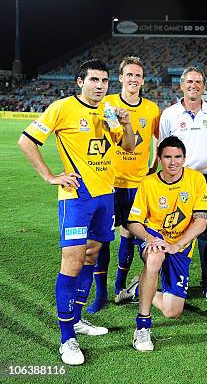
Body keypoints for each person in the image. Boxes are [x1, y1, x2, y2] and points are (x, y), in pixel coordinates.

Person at [17, 59, 135, 365]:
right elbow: (26, 140)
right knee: (71, 261)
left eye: (104, 81)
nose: (100, 86)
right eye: (94, 80)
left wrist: (127, 123)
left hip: (104, 196)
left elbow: (128, 146)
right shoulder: (62, 108)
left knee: (92, 256)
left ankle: (78, 319)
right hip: (76, 197)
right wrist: (49, 176)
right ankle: (67, 338)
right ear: (80, 82)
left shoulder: (109, 111)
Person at [87, 56, 161, 313]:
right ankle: (101, 293)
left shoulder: (151, 108)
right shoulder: (108, 103)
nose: (133, 79)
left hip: (138, 184)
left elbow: (157, 139)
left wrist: (154, 166)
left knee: (130, 234)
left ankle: (120, 286)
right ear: (121, 78)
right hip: (109, 182)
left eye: (138, 75)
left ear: (143, 80)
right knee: (103, 236)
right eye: (129, 75)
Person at [127, 136, 207, 351]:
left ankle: (139, 287)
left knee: (173, 312)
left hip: (180, 242)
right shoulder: (148, 182)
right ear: (160, 159)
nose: (173, 162)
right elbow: (133, 222)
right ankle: (142, 327)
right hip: (154, 235)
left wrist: (177, 245)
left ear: (184, 158)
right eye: (168, 157)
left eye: (178, 157)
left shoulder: (196, 179)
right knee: (154, 258)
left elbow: (201, 222)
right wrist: (149, 238)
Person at [159, 66, 207, 304]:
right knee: (173, 228)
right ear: (182, 85)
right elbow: (164, 150)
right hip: (178, 179)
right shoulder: (169, 114)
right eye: (189, 82)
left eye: (198, 82)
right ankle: (171, 282)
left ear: (204, 86)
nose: (193, 85)